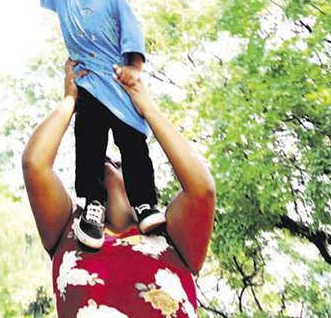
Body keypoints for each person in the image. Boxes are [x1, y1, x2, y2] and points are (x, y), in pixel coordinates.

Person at [0, 0, 164, 247]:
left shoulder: (114, 1)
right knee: (89, 145)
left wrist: (135, 66)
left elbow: (132, 31)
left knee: (133, 146)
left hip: (119, 87)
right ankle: (94, 205)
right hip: (87, 85)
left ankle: (145, 204)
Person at [22, 60, 215, 318]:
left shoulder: (171, 237)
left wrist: (145, 106)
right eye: (102, 157)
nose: (108, 158)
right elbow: (34, 164)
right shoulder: (68, 229)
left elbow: (202, 189)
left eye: (119, 161)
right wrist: (70, 101)